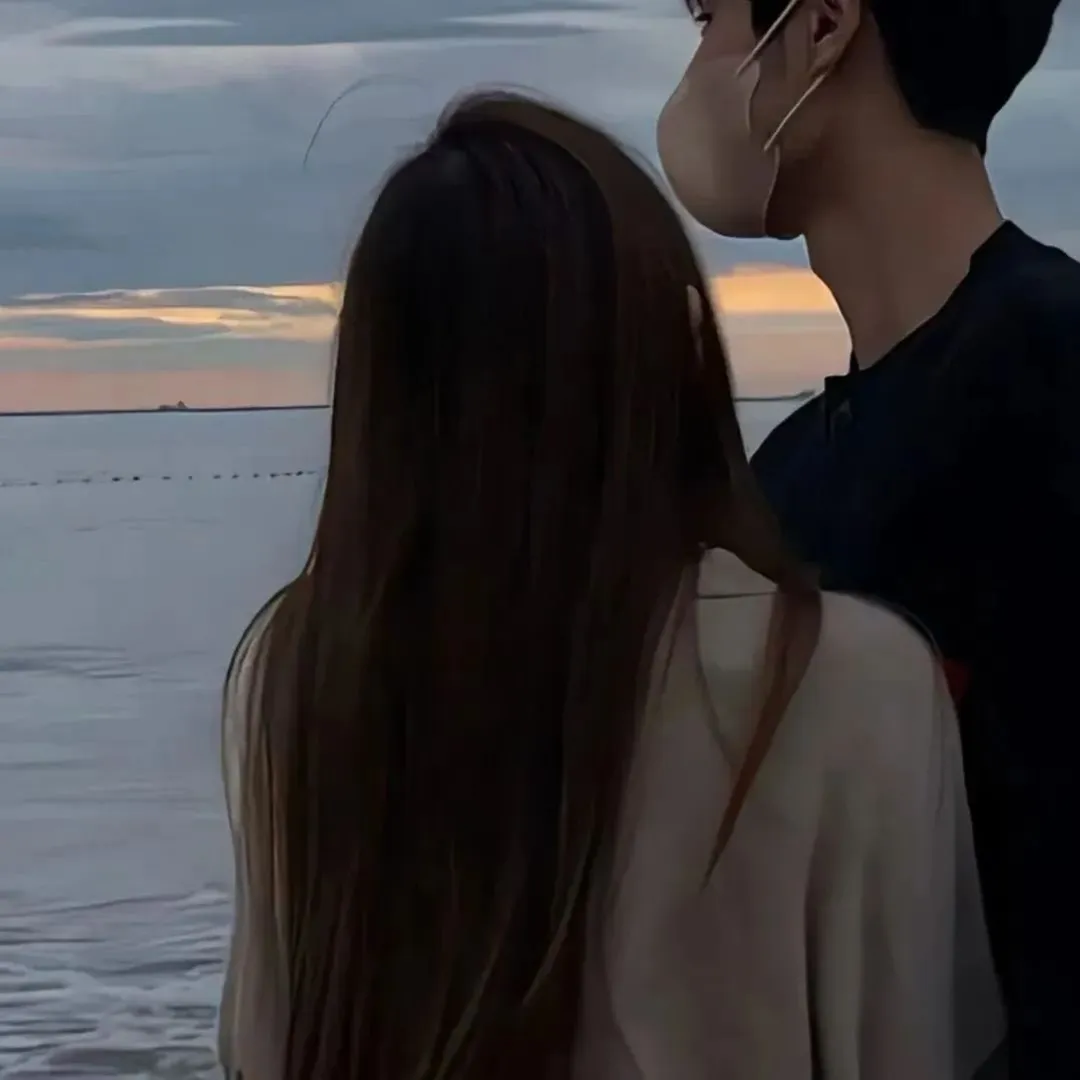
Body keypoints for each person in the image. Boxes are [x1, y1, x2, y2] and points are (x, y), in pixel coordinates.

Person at [217, 92, 1000, 1080]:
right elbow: (920, 1042)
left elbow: (264, 1044)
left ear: (378, 389)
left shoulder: (299, 670)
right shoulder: (847, 680)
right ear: (677, 342)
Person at [656, 1, 1077, 1075]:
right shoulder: (786, 481)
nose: (697, 66)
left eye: (708, 19)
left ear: (823, 26)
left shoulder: (1050, 380)